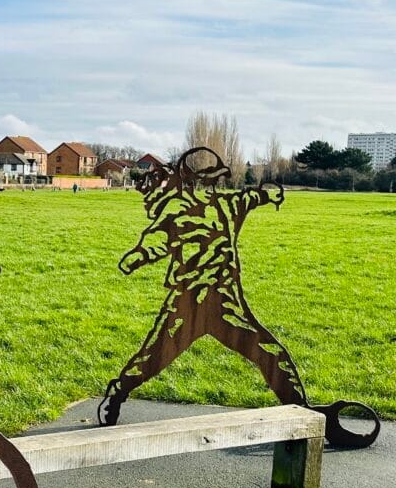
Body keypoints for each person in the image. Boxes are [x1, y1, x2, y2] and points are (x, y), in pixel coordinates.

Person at [98, 146, 306, 425]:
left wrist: (269, 193)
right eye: (204, 182)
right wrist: (139, 256)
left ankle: (301, 410)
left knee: (268, 352)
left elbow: (252, 196)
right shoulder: (176, 210)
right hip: (187, 302)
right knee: (154, 357)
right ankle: (118, 392)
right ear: (188, 183)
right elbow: (158, 239)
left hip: (225, 301)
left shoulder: (229, 205)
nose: (210, 188)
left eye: (215, 182)